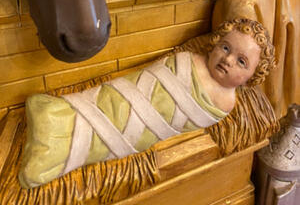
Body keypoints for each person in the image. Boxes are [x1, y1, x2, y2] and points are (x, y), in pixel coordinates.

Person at [19, 18, 276, 188]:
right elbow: (140, 81)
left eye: (242, 62)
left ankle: (56, 155)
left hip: (146, 127)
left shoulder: (226, 103)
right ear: (214, 44)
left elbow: (170, 123)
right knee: (110, 102)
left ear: (251, 78)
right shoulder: (189, 59)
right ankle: (56, 112)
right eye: (225, 47)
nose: (228, 60)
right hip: (130, 94)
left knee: (113, 133)